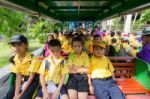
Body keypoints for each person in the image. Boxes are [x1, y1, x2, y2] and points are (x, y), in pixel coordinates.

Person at [4, 34, 42, 99]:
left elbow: (31, 77)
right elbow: (18, 76)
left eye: (19, 45)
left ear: (26, 45)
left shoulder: (34, 59)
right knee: (8, 96)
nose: (16, 48)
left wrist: (20, 95)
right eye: (13, 45)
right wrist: (16, 94)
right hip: (21, 80)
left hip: (32, 81)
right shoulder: (15, 58)